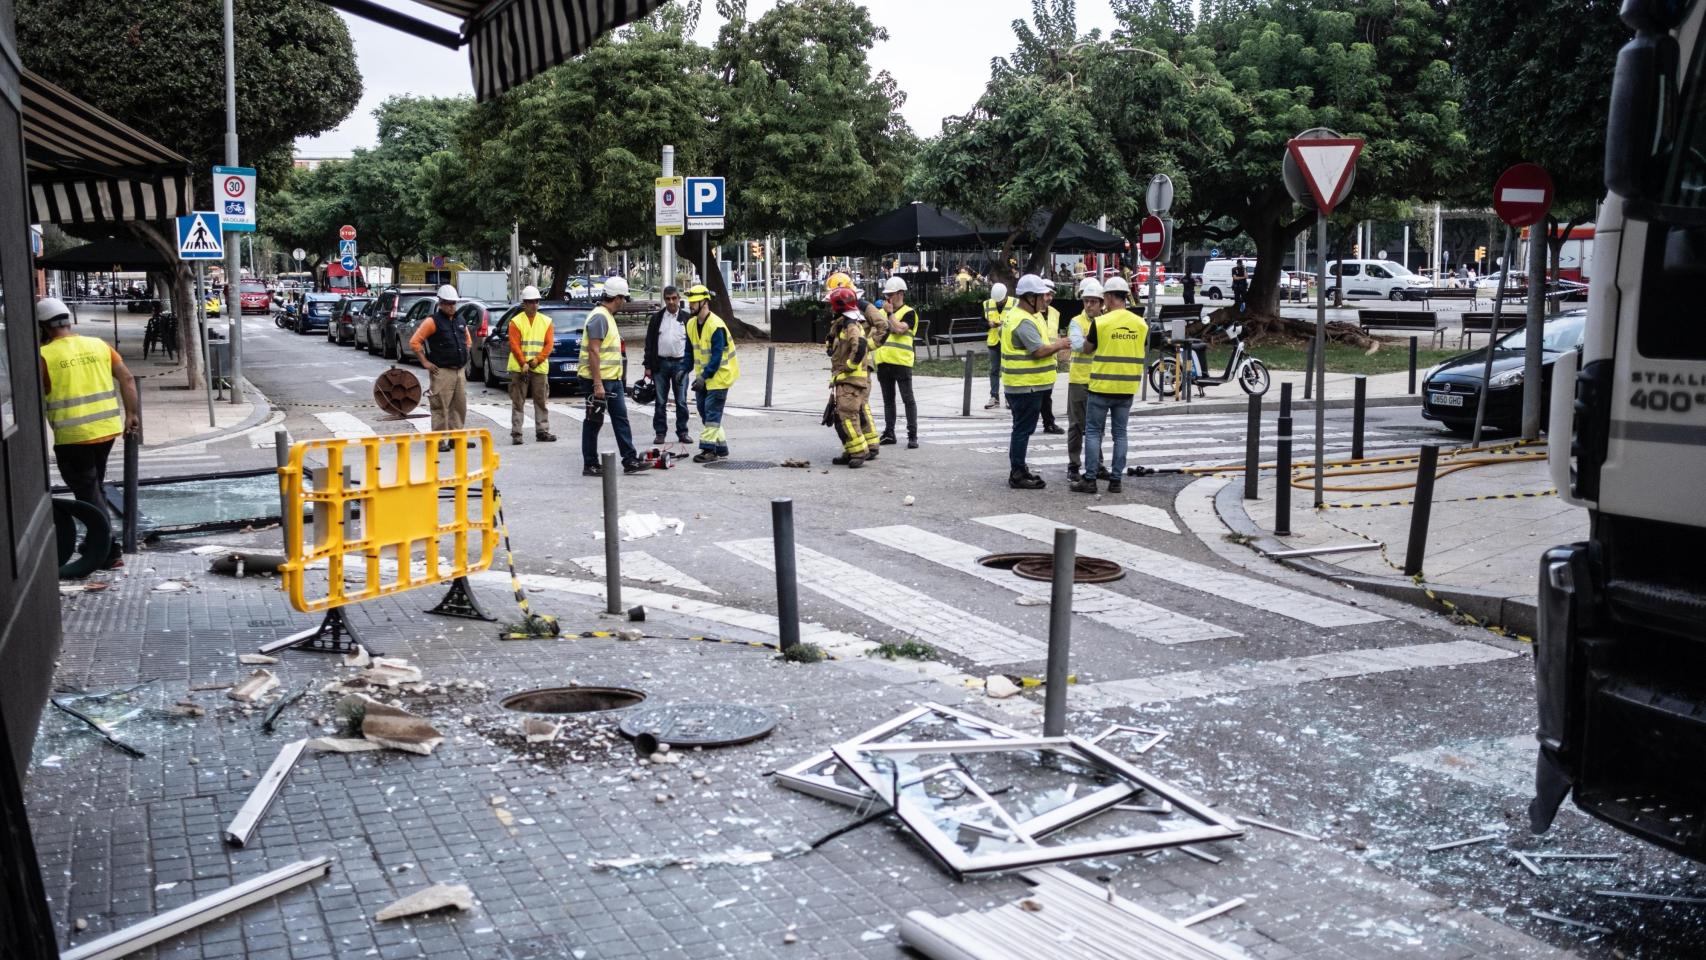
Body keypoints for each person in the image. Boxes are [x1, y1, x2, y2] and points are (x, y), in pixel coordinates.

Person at [37, 297, 139, 569]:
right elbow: (127, 379)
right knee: (93, 488)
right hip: (105, 432)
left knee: (87, 493)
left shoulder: (44, 356)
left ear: (44, 327)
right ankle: (95, 542)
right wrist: (131, 414)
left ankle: (109, 550)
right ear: (68, 321)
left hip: (73, 437)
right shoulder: (99, 345)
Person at [1073, 276, 1149, 493]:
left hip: (1101, 387)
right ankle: (1116, 480)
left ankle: (1089, 480)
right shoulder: (1140, 324)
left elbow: (1087, 349)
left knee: (1094, 432)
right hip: (1126, 389)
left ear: (1107, 297)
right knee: (1120, 434)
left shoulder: (1101, 322)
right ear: (1125, 296)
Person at [1000, 274, 1071, 489]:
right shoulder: (1022, 321)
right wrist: (1061, 344)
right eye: (1041, 296)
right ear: (1030, 297)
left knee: (1020, 428)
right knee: (1023, 429)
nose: (1045, 299)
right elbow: (1039, 350)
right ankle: (1018, 473)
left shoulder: (1027, 316)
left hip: (1027, 384)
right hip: (1025, 385)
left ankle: (1019, 468)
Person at [579, 276, 648, 476]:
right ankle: (590, 463)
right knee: (594, 421)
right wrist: (598, 384)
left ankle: (630, 459)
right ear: (616, 297)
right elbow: (594, 351)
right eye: (624, 298)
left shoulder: (606, 316)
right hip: (599, 381)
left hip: (612, 380)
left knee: (620, 418)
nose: (624, 302)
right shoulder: (600, 317)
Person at [410, 284, 471, 451]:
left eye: (454, 303)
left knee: (459, 406)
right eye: (449, 303)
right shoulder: (432, 322)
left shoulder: (460, 319)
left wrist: (465, 355)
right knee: (440, 407)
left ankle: (456, 438)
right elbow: (415, 342)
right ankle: (439, 441)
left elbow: (467, 340)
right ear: (441, 303)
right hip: (442, 371)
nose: (452, 306)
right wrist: (425, 362)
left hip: (459, 370)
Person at [685, 284, 738, 463]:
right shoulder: (691, 323)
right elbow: (689, 351)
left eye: (694, 302)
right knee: (704, 411)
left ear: (704, 302)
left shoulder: (716, 325)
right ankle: (721, 447)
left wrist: (703, 377)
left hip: (720, 376)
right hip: (705, 377)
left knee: (712, 412)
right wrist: (683, 370)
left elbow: (716, 357)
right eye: (690, 302)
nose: (690, 305)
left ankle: (709, 450)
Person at [826, 287, 878, 467]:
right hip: (845, 380)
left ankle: (858, 452)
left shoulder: (850, 325)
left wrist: (849, 366)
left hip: (850, 380)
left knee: (848, 416)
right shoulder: (846, 322)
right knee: (843, 417)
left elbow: (860, 345)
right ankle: (850, 450)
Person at [872, 276, 920, 448]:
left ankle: (912, 436)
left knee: (908, 399)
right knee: (888, 401)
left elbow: (899, 329)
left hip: (902, 362)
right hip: (884, 362)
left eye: (890, 295)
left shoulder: (909, 312)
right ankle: (889, 433)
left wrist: (890, 314)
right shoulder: (882, 313)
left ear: (900, 294)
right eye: (886, 295)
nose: (888, 299)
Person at [505, 286, 556, 445]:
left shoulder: (546, 321)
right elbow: (514, 345)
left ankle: (542, 431)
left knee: (541, 401)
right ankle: (517, 433)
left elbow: (549, 345)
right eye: (530, 302)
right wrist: (523, 363)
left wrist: (536, 360)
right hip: (520, 368)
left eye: (536, 302)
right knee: (518, 401)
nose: (534, 305)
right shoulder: (516, 322)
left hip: (538, 368)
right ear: (524, 304)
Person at [643, 285, 693, 446]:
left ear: (679, 298)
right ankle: (660, 433)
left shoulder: (687, 319)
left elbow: (693, 345)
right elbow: (649, 343)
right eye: (668, 299)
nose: (671, 302)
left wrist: (689, 365)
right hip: (660, 364)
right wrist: (648, 366)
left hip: (680, 364)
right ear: (664, 299)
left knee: (681, 401)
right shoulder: (657, 319)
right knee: (660, 401)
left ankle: (683, 431)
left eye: (674, 298)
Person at [1065, 278, 1104, 483]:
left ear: (1101, 303)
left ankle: (1097, 464)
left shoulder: (1106, 320)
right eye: (1086, 301)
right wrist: (1098, 339)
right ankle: (1073, 465)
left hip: (1099, 380)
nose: (1088, 305)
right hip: (1079, 379)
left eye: (1093, 301)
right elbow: (1078, 345)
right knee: (1077, 425)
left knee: (1097, 426)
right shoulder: (1076, 322)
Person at [1038, 281, 1066, 436]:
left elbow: (1055, 335)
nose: (1049, 298)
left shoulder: (1055, 313)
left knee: (1046, 396)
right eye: (1047, 294)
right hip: (1035, 359)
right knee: (1034, 396)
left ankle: (1048, 423)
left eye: (1051, 295)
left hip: (1050, 361)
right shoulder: (1031, 313)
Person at [982, 283, 1015, 410]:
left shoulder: (1015, 303)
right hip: (994, 342)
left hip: (1008, 342)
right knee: (994, 370)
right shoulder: (987, 304)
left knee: (1008, 370)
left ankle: (1009, 397)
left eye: (1000, 301)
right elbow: (981, 322)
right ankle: (994, 397)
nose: (998, 303)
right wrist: (989, 324)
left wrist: (1004, 323)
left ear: (1006, 296)